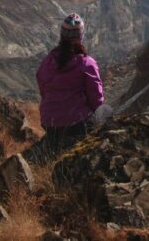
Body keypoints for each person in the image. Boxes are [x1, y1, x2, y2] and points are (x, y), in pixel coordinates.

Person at [29, 13, 105, 163]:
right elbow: (97, 100)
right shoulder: (86, 64)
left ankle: (53, 143)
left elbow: (43, 89)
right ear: (81, 36)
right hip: (75, 124)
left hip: (49, 122)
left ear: (62, 35)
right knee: (106, 112)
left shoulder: (48, 61)